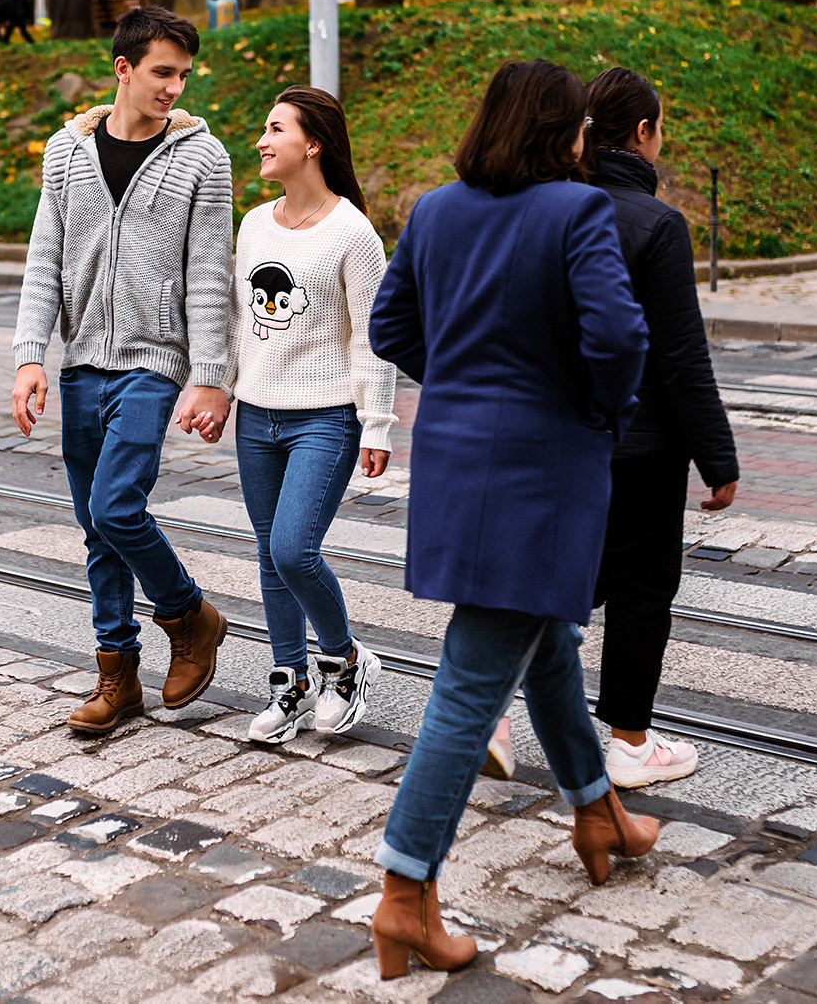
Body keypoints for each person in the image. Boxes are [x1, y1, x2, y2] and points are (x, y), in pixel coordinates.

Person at [366, 60, 657, 979]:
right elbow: (618, 338)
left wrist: (458, 381)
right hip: (543, 470)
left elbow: (390, 326)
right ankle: (405, 893)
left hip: (455, 461)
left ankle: (597, 811)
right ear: (566, 133)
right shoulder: (577, 212)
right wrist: (598, 409)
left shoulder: (436, 209)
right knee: (471, 682)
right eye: (578, 128)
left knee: (545, 643)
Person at [11, 5, 235, 734]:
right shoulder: (64, 152)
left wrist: (210, 373)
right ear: (124, 69)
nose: (174, 87)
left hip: (153, 363)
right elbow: (44, 258)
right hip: (81, 365)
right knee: (94, 527)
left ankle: (190, 616)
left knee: (114, 507)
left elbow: (208, 274)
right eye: (162, 73)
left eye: (182, 75)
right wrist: (29, 358)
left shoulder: (205, 158)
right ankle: (117, 678)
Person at [205, 85, 396, 744]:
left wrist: (376, 422)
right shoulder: (254, 223)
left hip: (326, 418)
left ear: (312, 143)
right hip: (256, 416)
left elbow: (370, 336)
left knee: (293, 549)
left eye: (274, 128)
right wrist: (218, 389)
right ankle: (288, 683)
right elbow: (237, 321)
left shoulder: (353, 233)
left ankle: (344, 660)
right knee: (267, 554)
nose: (261, 140)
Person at [585, 66, 739, 787]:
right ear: (643, 133)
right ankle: (630, 742)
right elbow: (681, 355)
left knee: (563, 582)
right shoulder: (656, 224)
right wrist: (719, 458)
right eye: (660, 127)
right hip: (644, 447)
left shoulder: (555, 206)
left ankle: (487, 710)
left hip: (568, 437)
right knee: (643, 588)